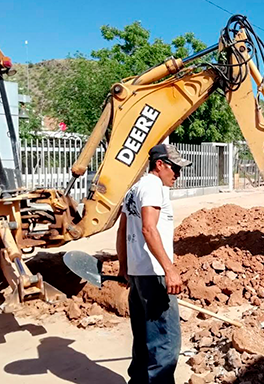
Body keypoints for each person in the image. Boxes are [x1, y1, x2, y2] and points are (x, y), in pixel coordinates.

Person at [116, 144, 191, 384]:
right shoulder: (152, 186)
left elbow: (122, 232)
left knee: (143, 340)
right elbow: (149, 228)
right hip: (154, 275)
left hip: (138, 275)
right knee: (165, 343)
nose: (177, 175)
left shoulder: (133, 189)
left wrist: (123, 268)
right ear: (159, 164)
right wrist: (170, 270)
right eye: (175, 169)